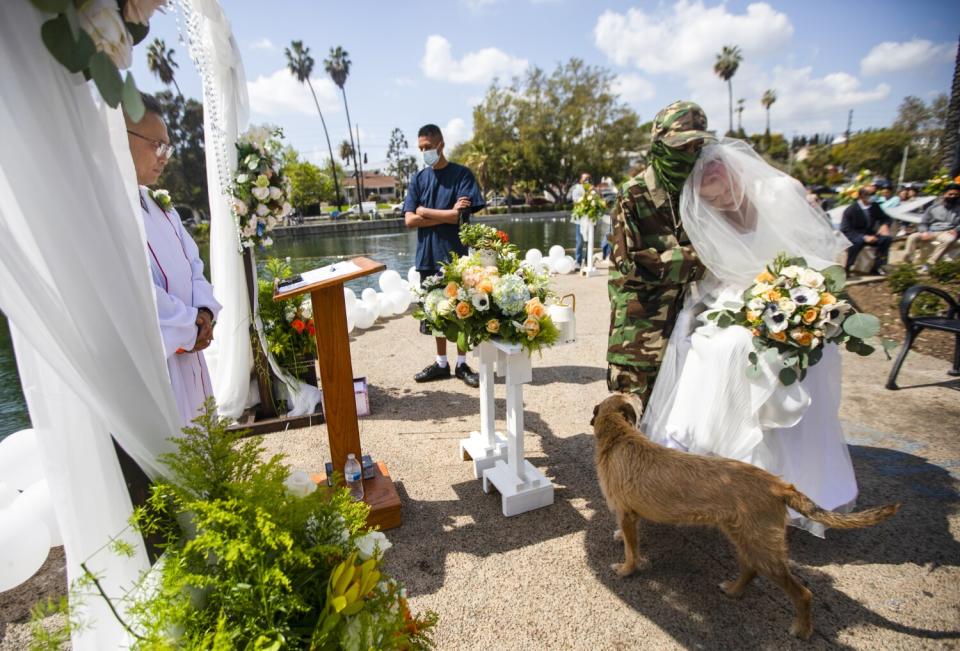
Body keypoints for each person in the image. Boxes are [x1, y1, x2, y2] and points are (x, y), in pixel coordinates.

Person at [641, 138, 857, 536]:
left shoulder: (780, 192)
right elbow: (716, 273)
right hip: (738, 294)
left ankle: (783, 480)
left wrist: (797, 293)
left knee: (759, 351)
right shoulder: (704, 208)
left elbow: (817, 251)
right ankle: (721, 465)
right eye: (712, 202)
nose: (720, 206)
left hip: (791, 288)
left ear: (730, 173)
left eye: (721, 196)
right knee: (718, 344)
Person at [126, 94, 221, 426]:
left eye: (168, 148)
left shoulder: (162, 208)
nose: (164, 157)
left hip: (191, 350)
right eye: (157, 145)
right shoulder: (106, 210)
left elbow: (194, 266)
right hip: (160, 361)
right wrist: (188, 325)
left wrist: (205, 314)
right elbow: (133, 289)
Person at [607, 101, 710, 404]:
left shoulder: (702, 192)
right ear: (659, 145)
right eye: (681, 146)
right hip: (640, 331)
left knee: (683, 415)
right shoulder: (634, 194)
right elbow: (633, 264)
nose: (689, 155)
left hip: (690, 323)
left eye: (696, 146)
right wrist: (702, 258)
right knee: (632, 418)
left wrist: (676, 260)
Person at [403, 124, 485, 387]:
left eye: (428, 147)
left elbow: (458, 217)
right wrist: (443, 215)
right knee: (434, 312)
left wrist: (425, 211)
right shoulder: (418, 179)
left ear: (441, 145)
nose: (424, 152)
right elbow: (409, 220)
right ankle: (441, 363)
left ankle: (462, 364)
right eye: (421, 148)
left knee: (461, 310)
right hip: (427, 256)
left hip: (456, 256)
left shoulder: (461, 175)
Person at [903, 183, 960, 270]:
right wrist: (924, 231)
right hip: (931, 231)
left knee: (950, 240)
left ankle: (930, 263)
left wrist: (956, 230)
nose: (953, 196)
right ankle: (908, 261)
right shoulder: (933, 208)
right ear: (944, 194)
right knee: (912, 237)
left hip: (946, 232)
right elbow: (923, 222)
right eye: (950, 194)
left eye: (956, 195)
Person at [840, 187, 892, 275]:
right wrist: (863, 237)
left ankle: (878, 266)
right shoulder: (851, 210)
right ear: (861, 196)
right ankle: (848, 267)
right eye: (870, 194)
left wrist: (885, 225)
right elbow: (846, 228)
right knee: (857, 242)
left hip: (870, 234)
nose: (873, 197)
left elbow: (886, 218)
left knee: (886, 239)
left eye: (874, 194)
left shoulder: (874, 206)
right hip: (855, 235)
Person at [570, 172, 591, 269]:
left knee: (590, 242)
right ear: (580, 180)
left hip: (590, 220)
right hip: (580, 220)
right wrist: (586, 198)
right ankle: (578, 262)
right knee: (580, 242)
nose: (587, 180)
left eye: (588, 178)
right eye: (585, 178)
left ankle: (588, 261)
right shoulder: (577, 188)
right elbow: (576, 201)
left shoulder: (591, 189)